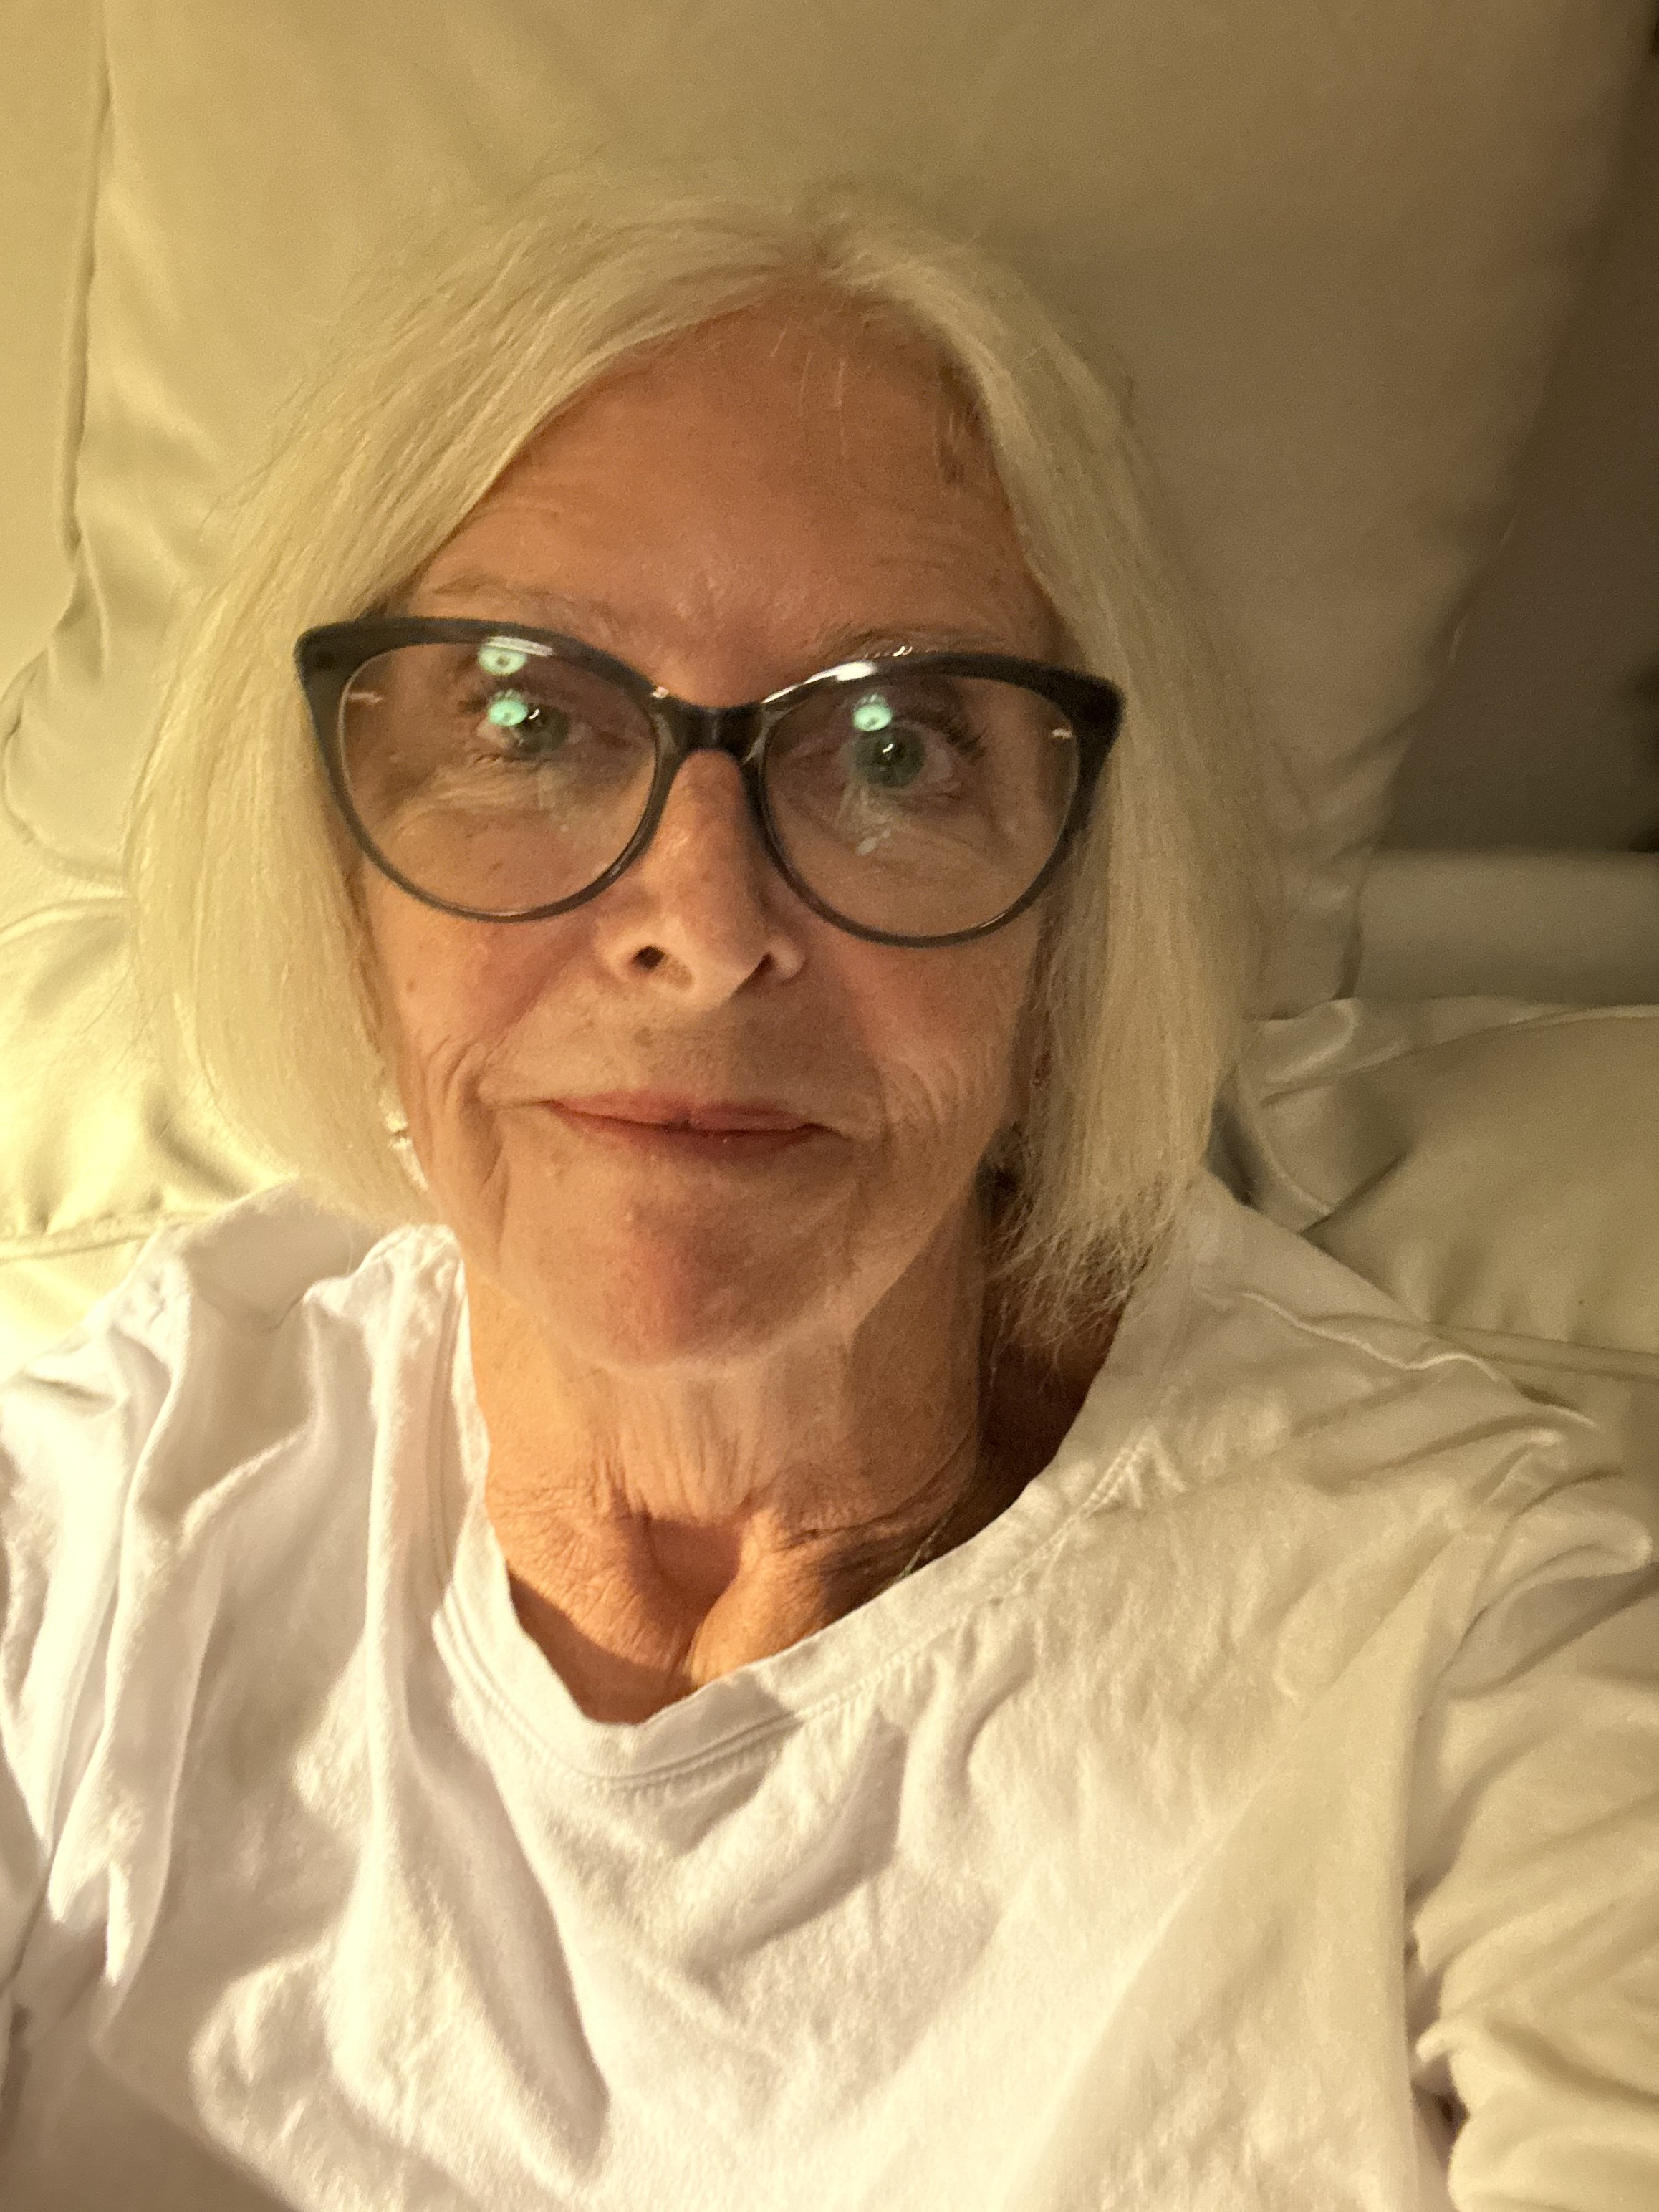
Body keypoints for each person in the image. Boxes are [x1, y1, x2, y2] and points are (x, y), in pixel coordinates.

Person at [0, 161, 1654, 2211]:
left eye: (893, 753)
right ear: (338, 878)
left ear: (1074, 917)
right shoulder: (105, 1528)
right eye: (523, 717)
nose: (703, 927)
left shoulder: (1474, 1646)